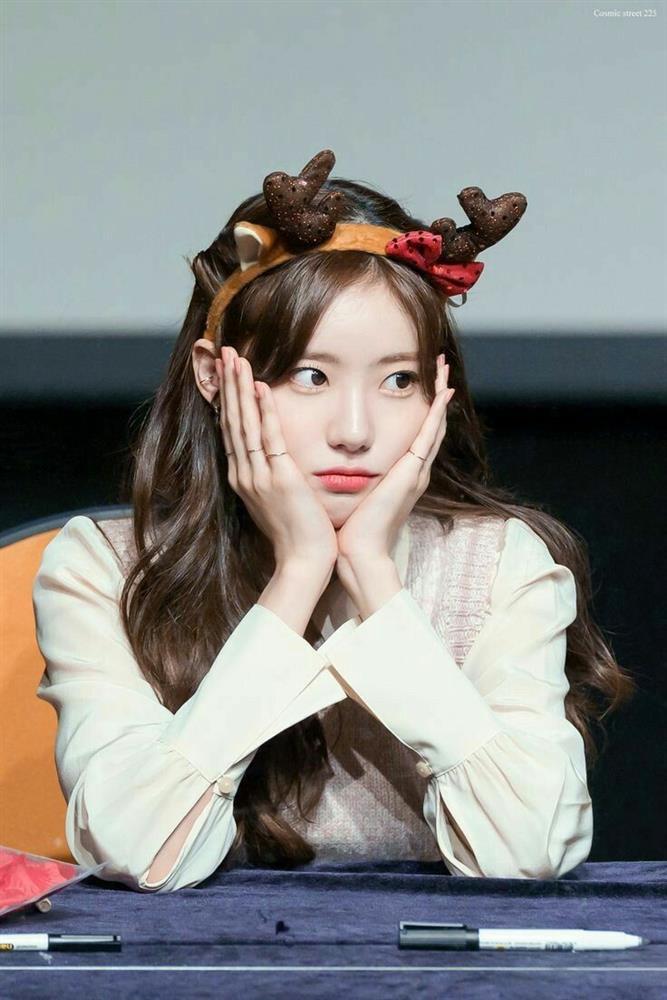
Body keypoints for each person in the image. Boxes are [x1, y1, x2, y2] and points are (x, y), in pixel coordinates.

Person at [32, 149, 635, 893]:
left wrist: (376, 581)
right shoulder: (104, 567)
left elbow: (526, 854)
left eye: (399, 380)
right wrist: (296, 576)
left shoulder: (497, 563)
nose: (355, 430)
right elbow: (140, 853)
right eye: (310, 376)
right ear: (214, 375)